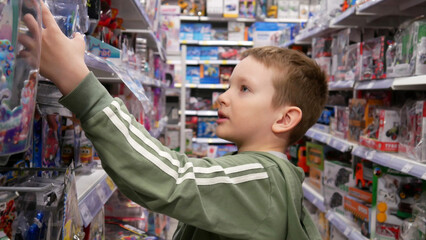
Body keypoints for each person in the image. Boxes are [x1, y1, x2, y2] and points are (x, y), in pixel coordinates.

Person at [39, 2, 328, 239]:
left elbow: (171, 178)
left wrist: (78, 82)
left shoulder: (262, 180)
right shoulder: (258, 173)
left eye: (244, 89)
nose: (222, 98)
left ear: (284, 118)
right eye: (228, 85)